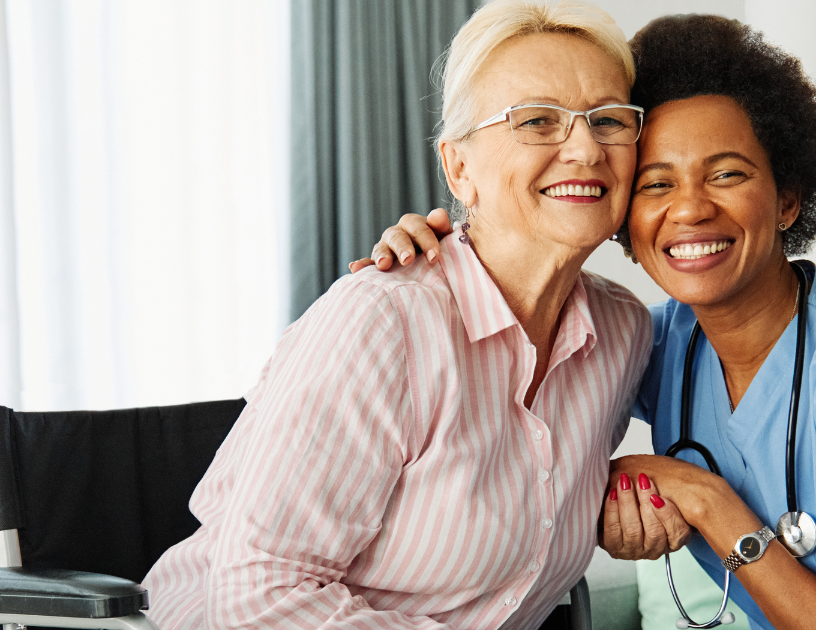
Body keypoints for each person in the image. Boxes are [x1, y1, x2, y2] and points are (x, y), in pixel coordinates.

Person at [355, 14, 816, 630]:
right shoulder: (653, 341)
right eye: (656, 184)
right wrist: (439, 257)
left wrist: (705, 502)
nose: (690, 210)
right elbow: (519, 383)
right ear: (625, 220)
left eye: (726, 174)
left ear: (787, 199)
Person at [140, 2, 693, 628]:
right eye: (537, 121)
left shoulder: (624, 333)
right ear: (458, 167)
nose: (586, 148)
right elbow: (258, 594)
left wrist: (614, 504)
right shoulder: (382, 322)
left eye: (609, 120)